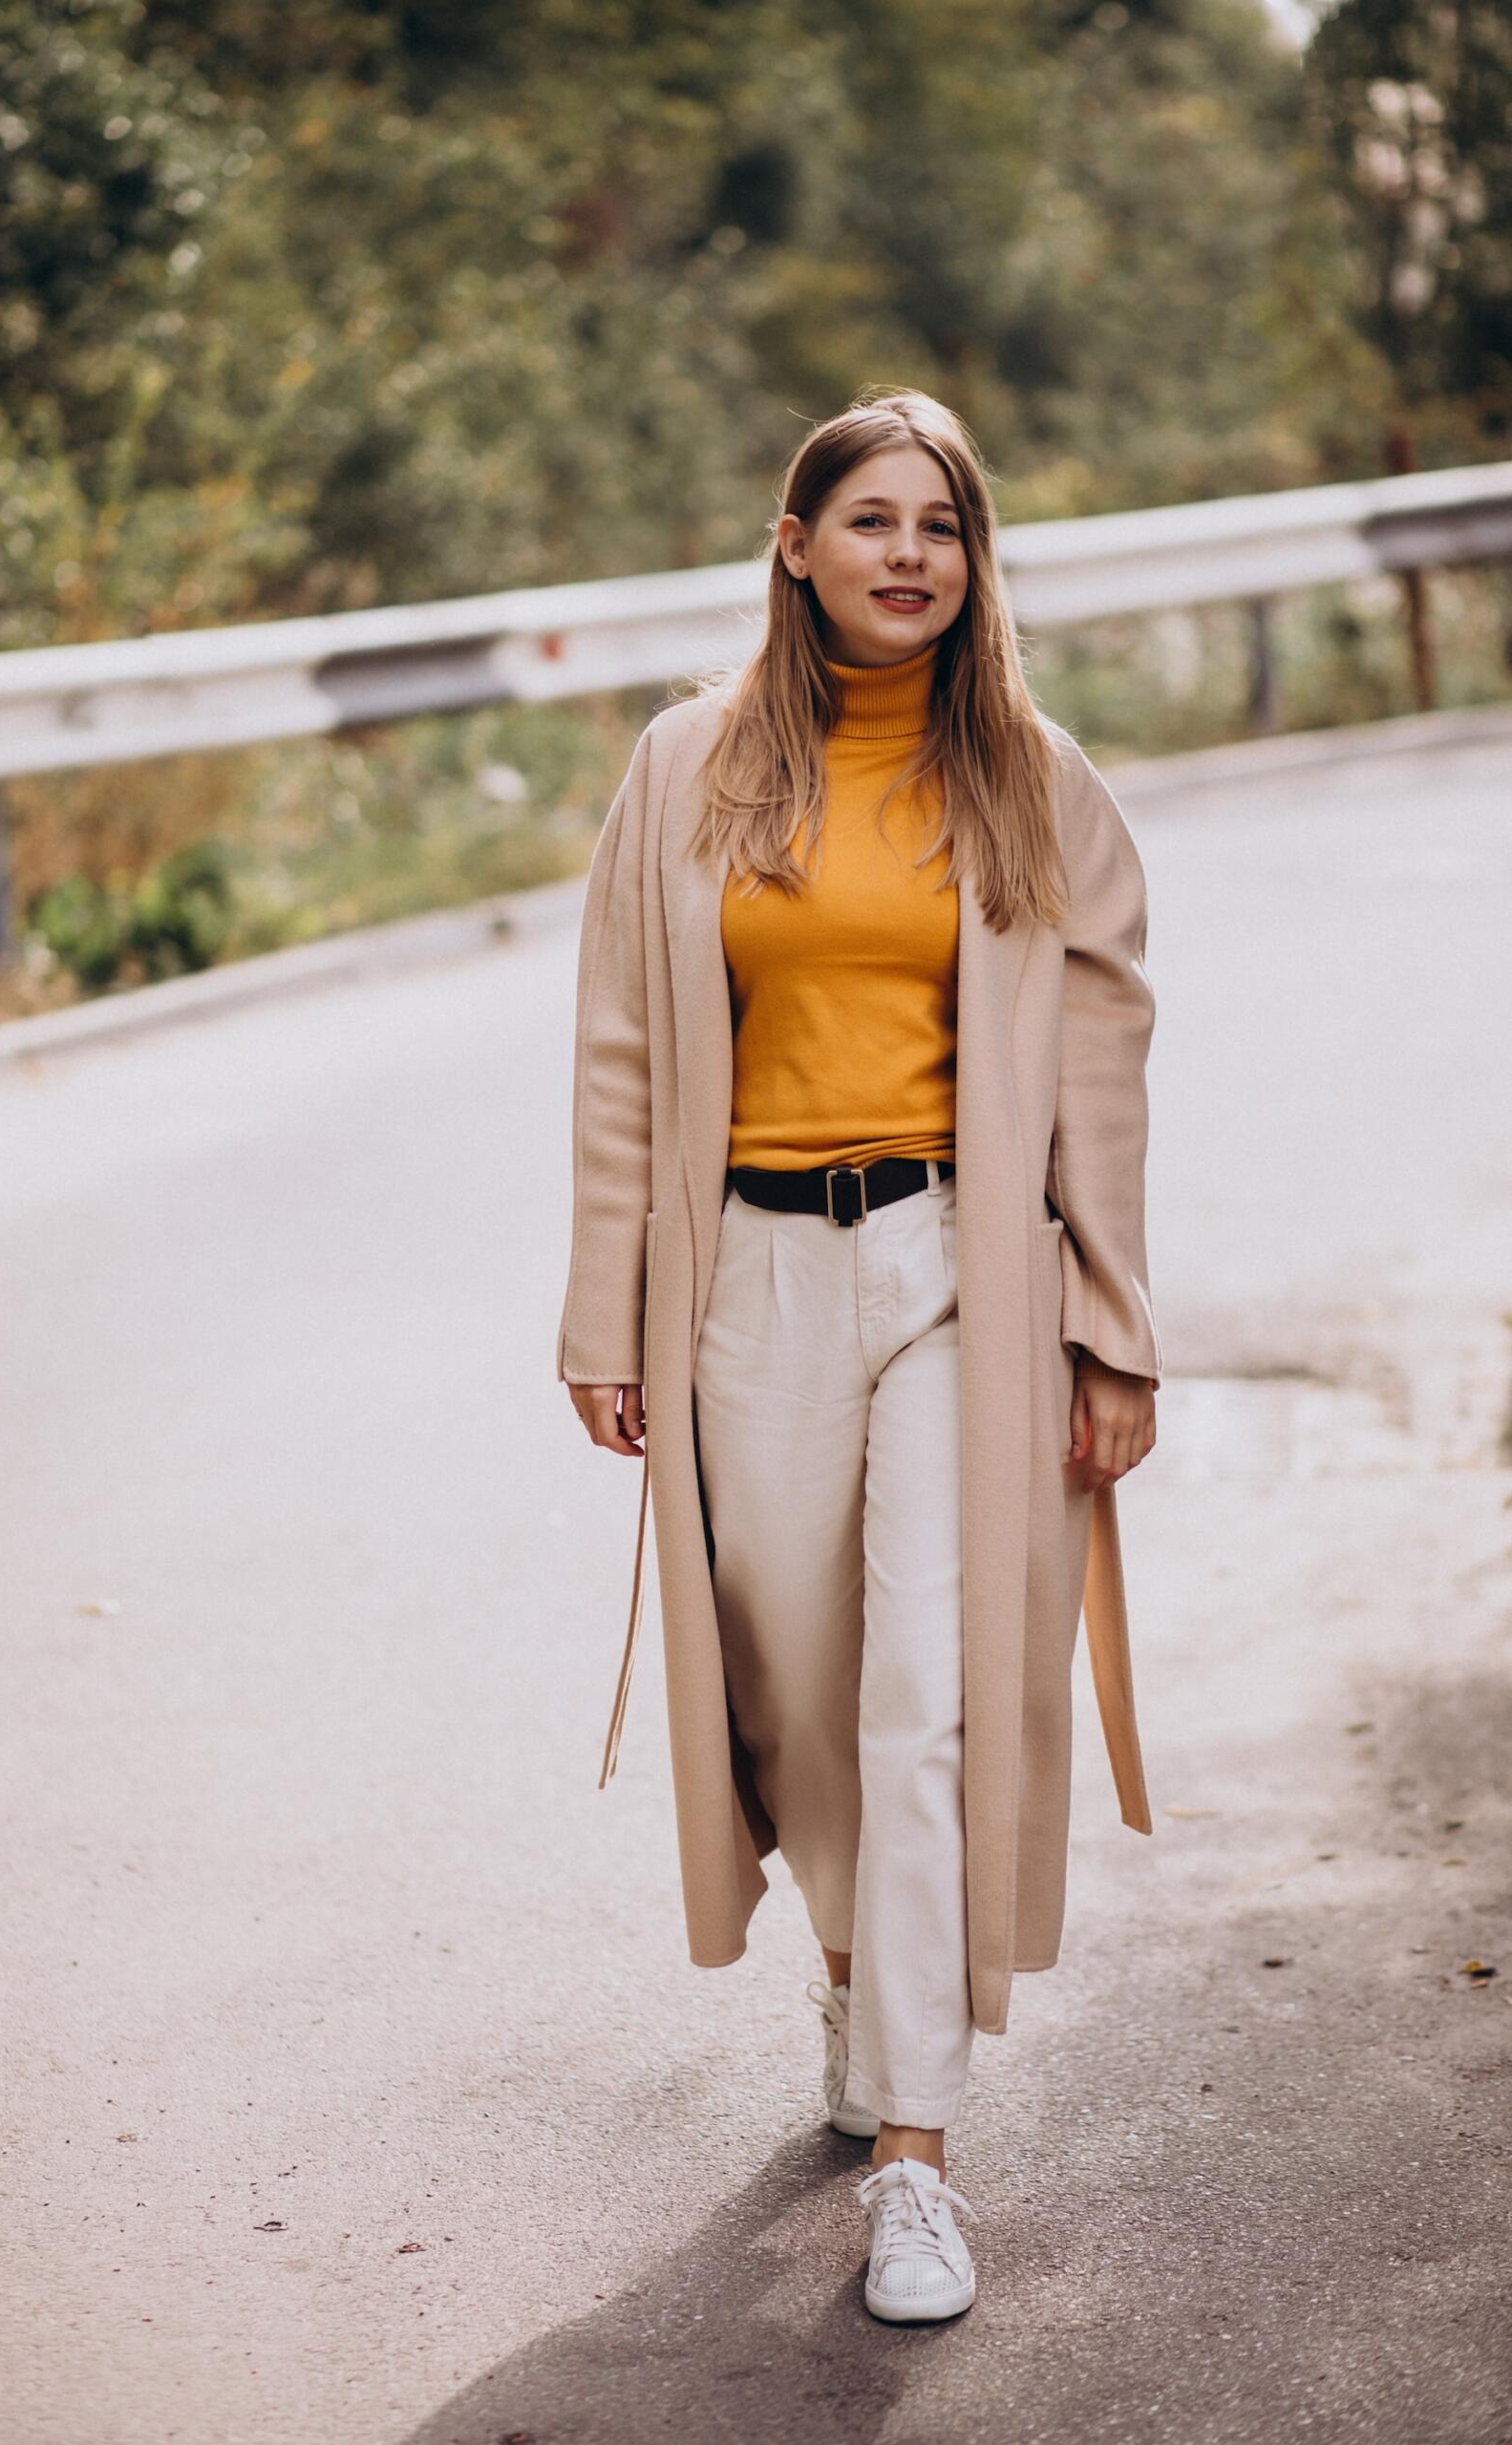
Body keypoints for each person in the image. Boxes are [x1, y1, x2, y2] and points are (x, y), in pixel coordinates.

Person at [556, 385, 1161, 2324]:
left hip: (952, 1270)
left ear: (972, 562)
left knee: (921, 1691)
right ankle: (855, 1975)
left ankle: (914, 2150)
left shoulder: (1030, 777)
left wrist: (1111, 1331)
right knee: (799, 1707)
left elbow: (1096, 1069)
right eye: (872, 518)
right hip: (743, 1277)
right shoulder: (688, 768)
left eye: (943, 524)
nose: (910, 551)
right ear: (795, 544)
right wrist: (603, 1303)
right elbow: (622, 1053)